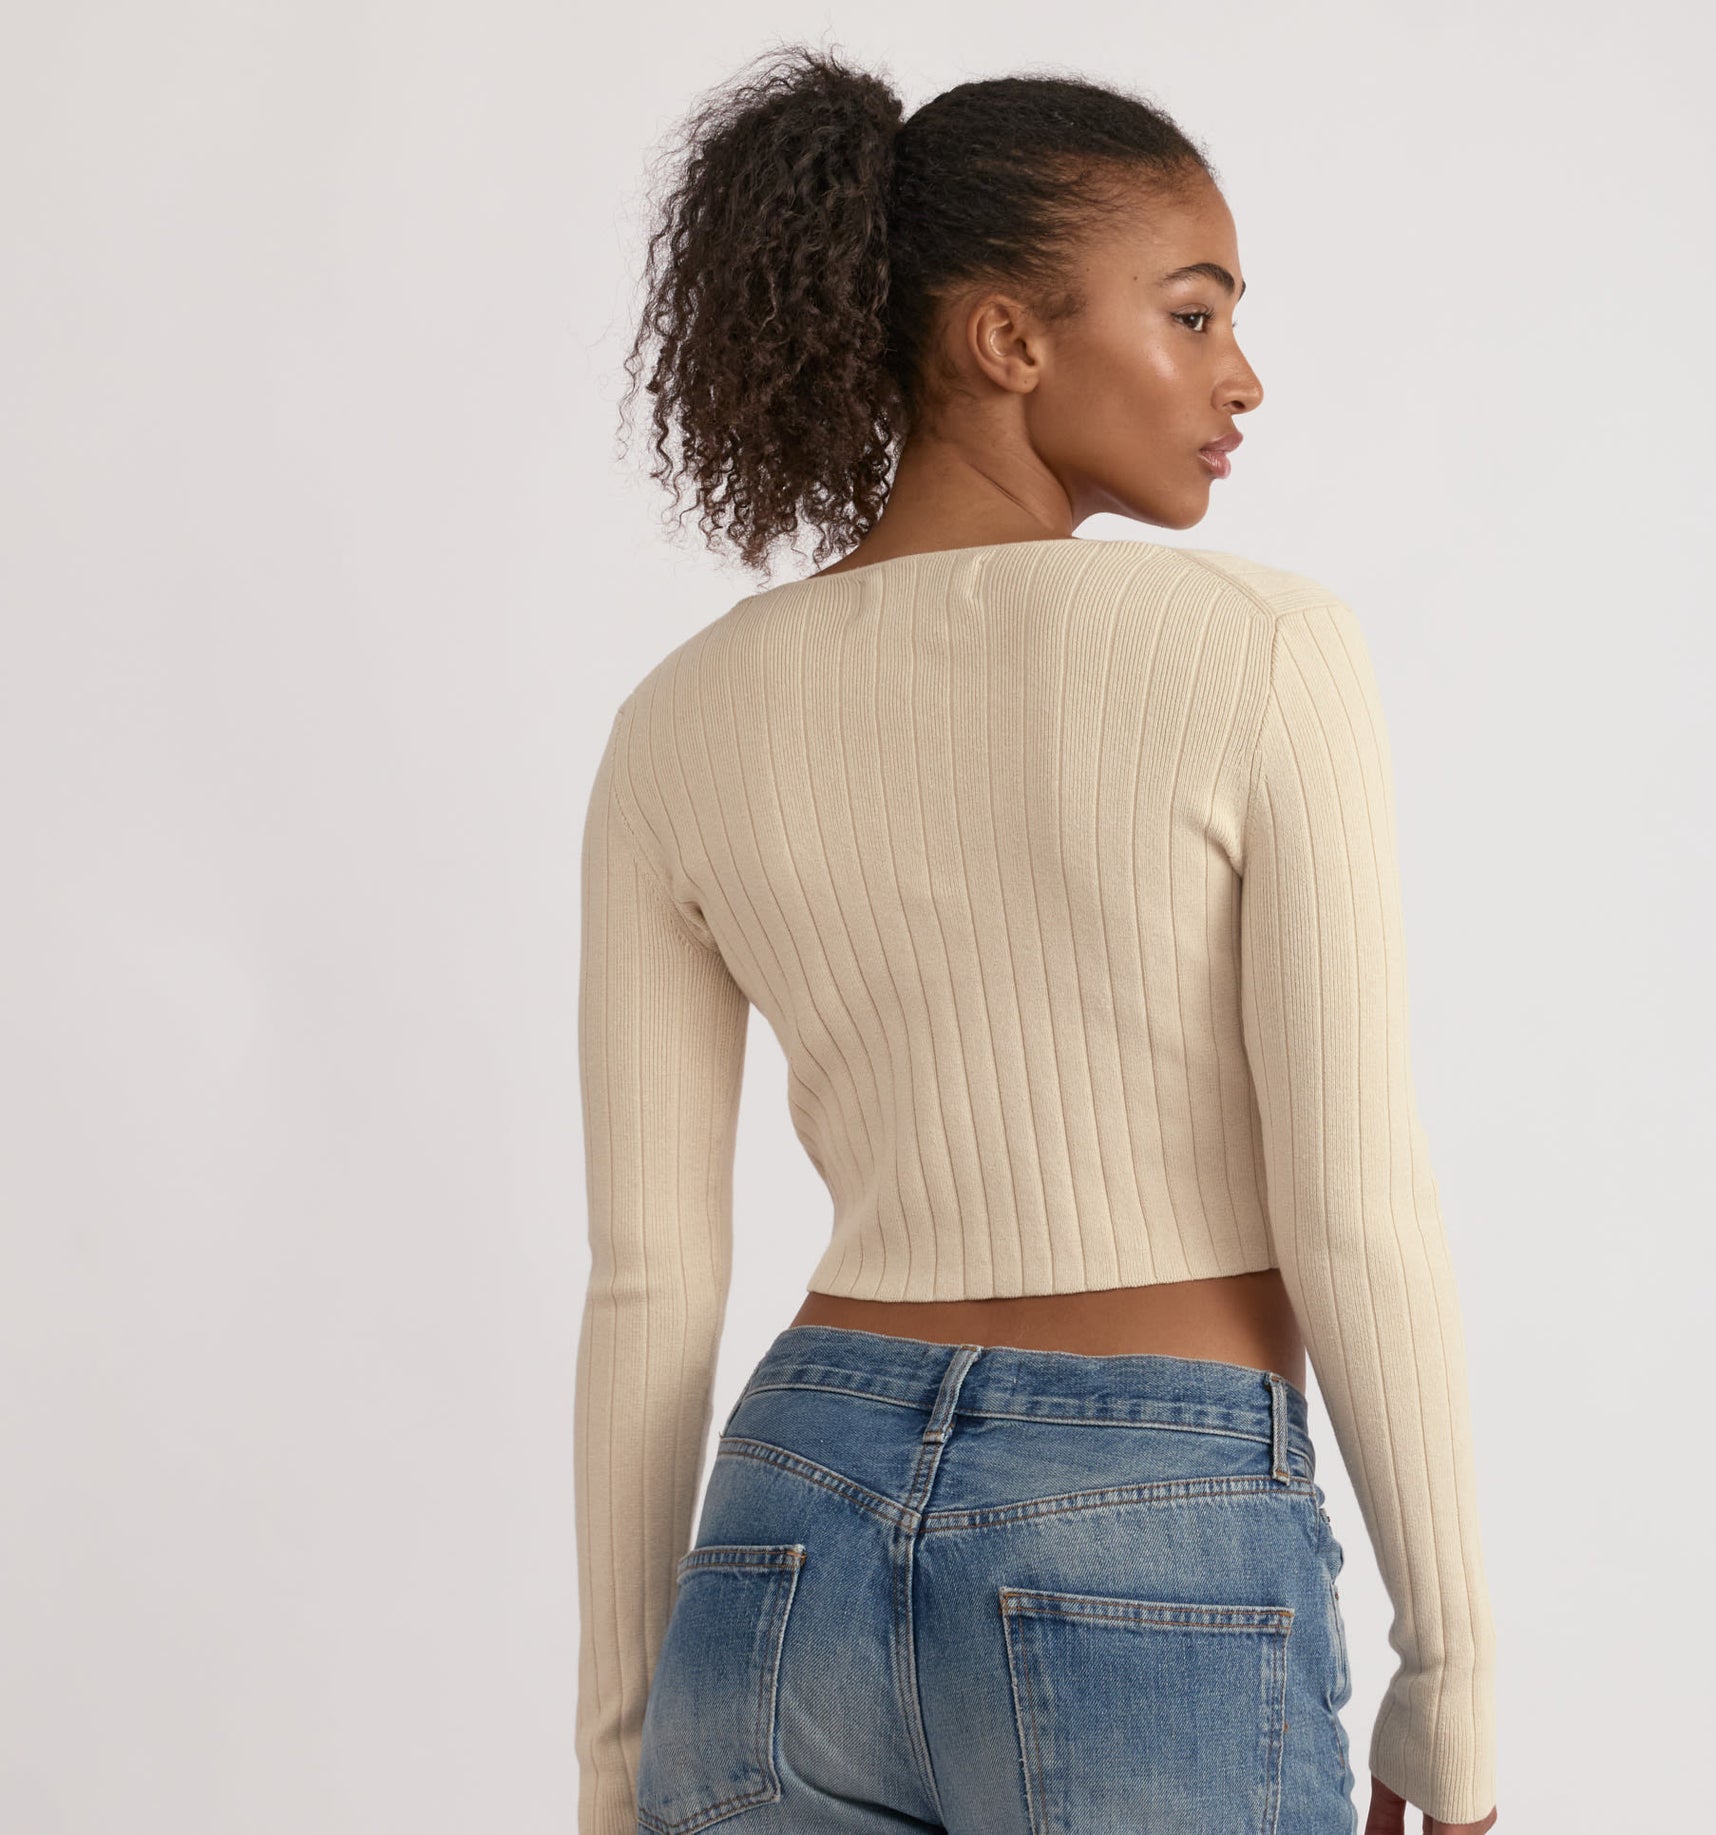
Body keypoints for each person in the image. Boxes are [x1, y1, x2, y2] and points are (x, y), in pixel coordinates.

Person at [574, 43, 1498, 1835]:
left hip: (783, 1525)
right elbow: (1354, 1201)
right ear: (1006, 339)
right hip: (1148, 1520)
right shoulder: (1264, 650)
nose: (1240, 375)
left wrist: (616, 1763)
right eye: (1191, 313)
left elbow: (647, 1282)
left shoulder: (678, 716)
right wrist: (1449, 1674)